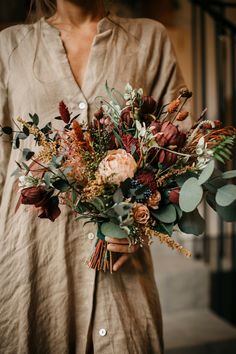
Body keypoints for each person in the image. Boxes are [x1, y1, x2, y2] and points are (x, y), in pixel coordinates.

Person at [0, 1, 186, 353]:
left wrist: (143, 222)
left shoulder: (148, 39)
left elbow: (177, 149)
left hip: (120, 258)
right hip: (31, 257)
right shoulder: (10, 46)